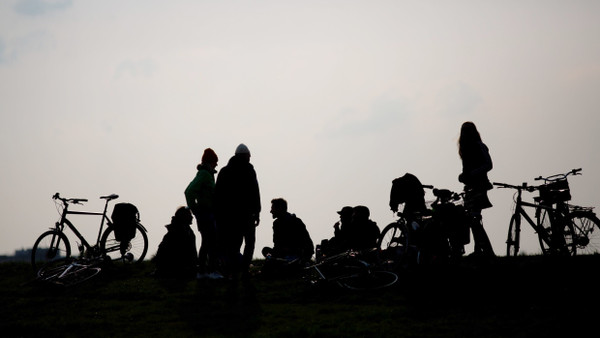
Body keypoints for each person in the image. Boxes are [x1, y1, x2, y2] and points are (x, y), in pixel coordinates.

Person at [215, 143, 261, 279]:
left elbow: (218, 196)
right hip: (245, 215)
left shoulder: (225, 171)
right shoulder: (249, 170)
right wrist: (257, 211)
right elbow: (255, 192)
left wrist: (219, 215)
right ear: (246, 156)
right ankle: (244, 269)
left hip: (230, 216)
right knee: (248, 243)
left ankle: (233, 271)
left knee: (234, 245)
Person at [458, 121, 496, 259]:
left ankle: (484, 250)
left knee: (474, 218)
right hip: (471, 187)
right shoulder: (466, 149)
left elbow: (489, 165)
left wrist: (472, 174)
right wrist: (463, 176)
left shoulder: (479, 146)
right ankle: (480, 250)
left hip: (479, 186)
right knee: (473, 218)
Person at [184, 148, 222, 279]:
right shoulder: (204, 174)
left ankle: (203, 271)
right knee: (211, 242)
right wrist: (195, 209)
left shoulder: (206, 174)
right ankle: (211, 271)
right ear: (210, 162)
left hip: (207, 213)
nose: (217, 164)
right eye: (215, 161)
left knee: (207, 242)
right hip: (205, 213)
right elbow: (189, 191)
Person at [263, 198, 314, 264]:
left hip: (297, 252)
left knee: (270, 253)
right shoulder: (277, 223)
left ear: (279, 209)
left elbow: (306, 242)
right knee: (265, 250)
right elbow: (277, 243)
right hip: (287, 252)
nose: (271, 211)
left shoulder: (294, 221)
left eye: (273, 208)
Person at [153, 207, 198, 279]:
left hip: (169, 267)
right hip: (173, 267)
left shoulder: (182, 229)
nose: (192, 217)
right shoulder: (180, 232)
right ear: (184, 217)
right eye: (189, 215)